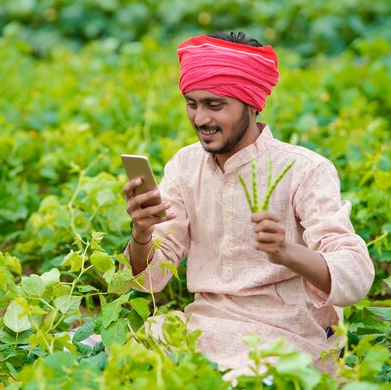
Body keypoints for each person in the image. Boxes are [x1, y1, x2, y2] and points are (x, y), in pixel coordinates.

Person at [122, 31, 375, 382]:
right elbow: (151, 280)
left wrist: (288, 252)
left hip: (285, 341)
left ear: (253, 104)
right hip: (200, 332)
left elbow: (357, 275)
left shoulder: (305, 170)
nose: (199, 119)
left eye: (215, 105)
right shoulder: (184, 166)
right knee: (105, 357)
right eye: (192, 103)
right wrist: (142, 233)